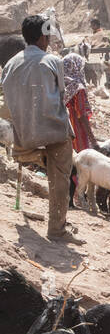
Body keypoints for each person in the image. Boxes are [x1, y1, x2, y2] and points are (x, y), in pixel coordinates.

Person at [2, 15, 76, 241]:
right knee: (61, 175)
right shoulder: (53, 61)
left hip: (23, 133)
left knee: (30, 143)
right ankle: (57, 230)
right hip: (52, 131)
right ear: (43, 37)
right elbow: (62, 95)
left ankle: (31, 155)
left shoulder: (10, 64)